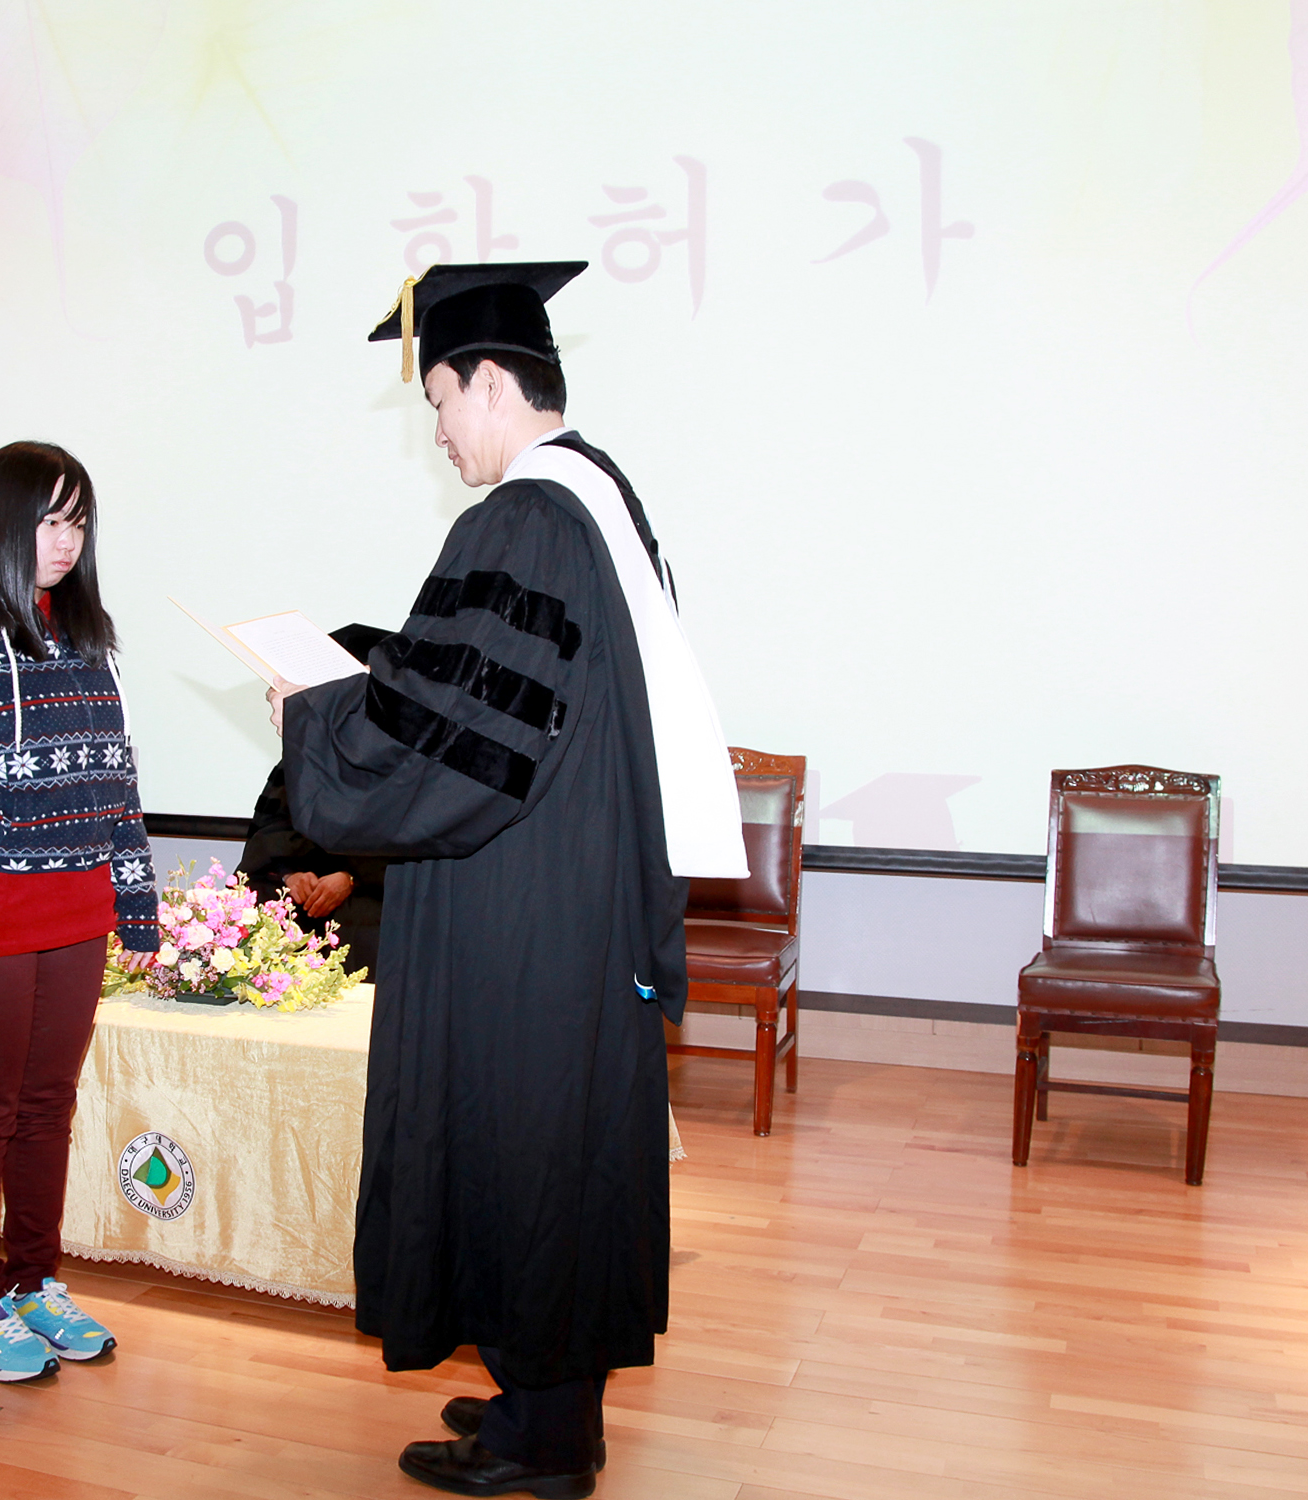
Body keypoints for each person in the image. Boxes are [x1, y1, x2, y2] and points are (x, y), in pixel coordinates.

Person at [268, 262, 748, 1498]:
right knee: (556, 1151)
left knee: (523, 1151)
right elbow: (493, 695)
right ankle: (544, 1401)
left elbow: (464, 741)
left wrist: (316, 716)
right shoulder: (602, 501)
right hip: (573, 894)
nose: (435, 431)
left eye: (438, 399)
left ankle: (545, 1443)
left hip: (522, 913)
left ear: (490, 382)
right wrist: (368, 686)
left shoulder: (525, 520)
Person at [0, 440, 161, 1384]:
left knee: (49, 1108)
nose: (66, 540)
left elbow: (117, 778)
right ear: (4, 518)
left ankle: (35, 1283)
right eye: (50, 520)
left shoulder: (85, 635)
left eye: (78, 522)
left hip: (78, 911)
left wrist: (135, 902)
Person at [237, 622, 394, 978]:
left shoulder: (398, 764)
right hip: (302, 903)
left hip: (370, 903)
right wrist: (289, 874)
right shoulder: (300, 758)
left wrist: (350, 877)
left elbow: (408, 848)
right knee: (262, 899)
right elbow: (268, 835)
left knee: (365, 920)